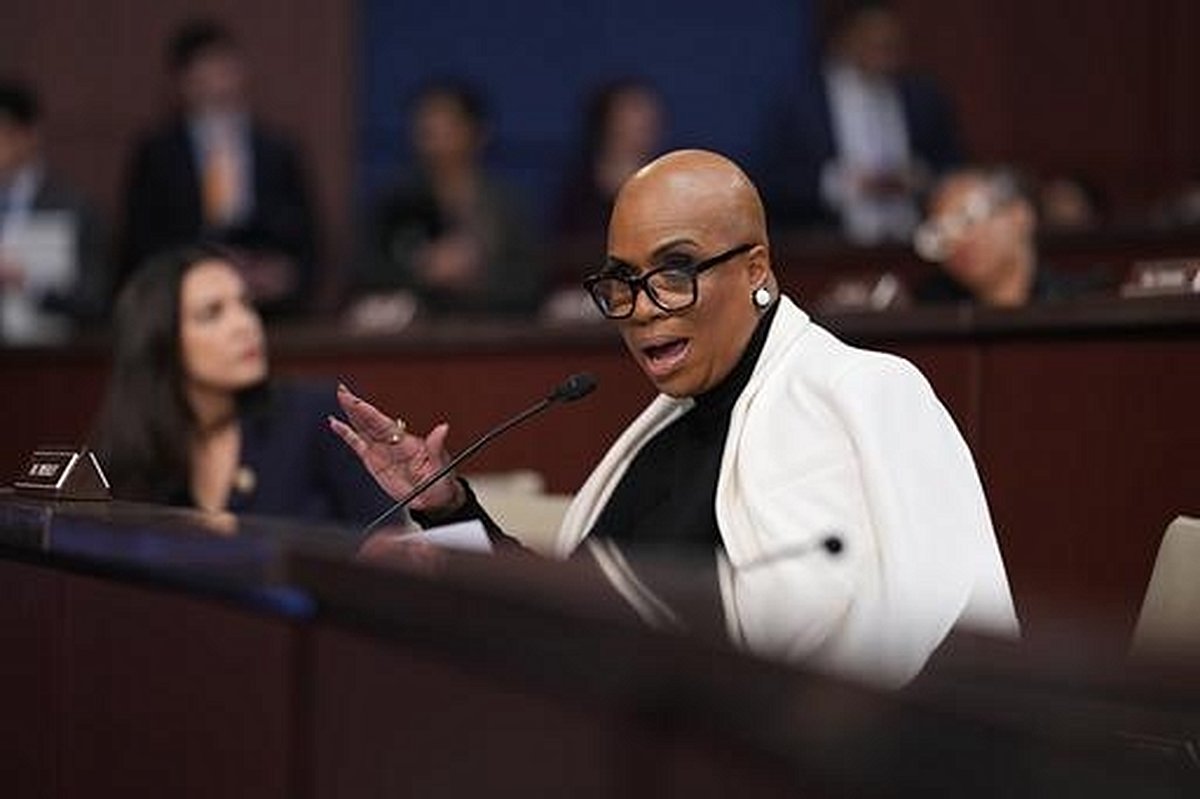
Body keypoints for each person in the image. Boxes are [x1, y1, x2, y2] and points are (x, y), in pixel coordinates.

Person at [331, 149, 1018, 688]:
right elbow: (580, 615)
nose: (642, 308)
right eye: (622, 281)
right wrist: (448, 512)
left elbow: (938, 635)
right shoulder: (663, 430)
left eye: (675, 270)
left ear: (756, 269)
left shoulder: (865, 392)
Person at [92, 244, 392, 525]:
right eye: (212, 313)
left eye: (246, 304)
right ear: (161, 342)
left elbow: (390, 544)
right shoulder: (134, 456)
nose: (245, 325)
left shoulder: (318, 415)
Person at [121, 19, 318, 316]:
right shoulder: (157, 155)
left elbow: (308, 240)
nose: (218, 84)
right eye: (205, 73)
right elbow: (140, 242)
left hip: (271, 309)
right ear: (182, 83)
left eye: (225, 69)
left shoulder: (278, 150)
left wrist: (283, 274)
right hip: (185, 306)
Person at [760, 0, 963, 244]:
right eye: (871, 38)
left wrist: (920, 177)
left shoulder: (922, 97)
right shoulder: (803, 102)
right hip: (832, 247)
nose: (881, 49)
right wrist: (838, 183)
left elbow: (955, 168)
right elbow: (774, 183)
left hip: (915, 242)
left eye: (889, 42)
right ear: (843, 38)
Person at [352, 79, 540, 321]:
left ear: (478, 132)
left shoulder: (506, 203)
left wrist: (477, 274)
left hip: (490, 328)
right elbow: (367, 269)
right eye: (427, 129)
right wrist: (424, 271)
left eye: (447, 127)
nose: (436, 141)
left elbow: (529, 280)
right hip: (418, 329)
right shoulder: (395, 202)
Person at [0, 79, 109, 343]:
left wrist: (30, 284)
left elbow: (94, 297)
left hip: (50, 353)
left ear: (30, 134)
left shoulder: (74, 207)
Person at [913, 166, 1106, 307]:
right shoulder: (925, 310)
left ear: (1020, 216)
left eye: (969, 220)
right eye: (941, 231)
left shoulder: (1084, 303)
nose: (959, 240)